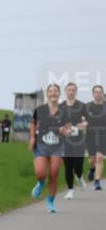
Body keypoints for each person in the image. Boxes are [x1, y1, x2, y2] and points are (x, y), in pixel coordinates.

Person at [30, 84, 69, 212]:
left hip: (58, 146)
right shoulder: (40, 109)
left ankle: (50, 203)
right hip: (41, 145)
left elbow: (68, 127)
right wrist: (32, 138)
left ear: (59, 93)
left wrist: (66, 131)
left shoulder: (64, 110)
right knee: (40, 173)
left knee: (54, 173)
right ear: (47, 94)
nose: (53, 93)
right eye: (51, 91)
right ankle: (41, 183)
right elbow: (33, 124)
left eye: (55, 91)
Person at [61, 82, 88, 199]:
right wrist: (62, 128)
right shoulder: (61, 106)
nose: (71, 92)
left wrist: (84, 124)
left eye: (73, 90)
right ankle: (70, 191)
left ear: (76, 91)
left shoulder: (82, 105)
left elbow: (88, 120)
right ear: (65, 91)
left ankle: (80, 176)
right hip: (65, 140)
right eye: (69, 90)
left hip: (79, 140)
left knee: (77, 165)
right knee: (68, 166)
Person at [84, 84, 105, 190]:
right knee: (92, 159)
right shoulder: (87, 106)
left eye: (100, 92)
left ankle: (97, 182)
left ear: (103, 94)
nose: (98, 94)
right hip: (90, 135)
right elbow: (82, 119)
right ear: (93, 94)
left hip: (103, 135)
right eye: (96, 92)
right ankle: (92, 170)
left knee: (100, 158)